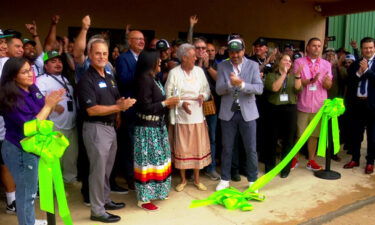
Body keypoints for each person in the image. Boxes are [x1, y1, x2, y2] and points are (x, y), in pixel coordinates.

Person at [0, 57, 65, 225]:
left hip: (34, 147)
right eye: (25, 72)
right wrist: (48, 106)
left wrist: (52, 103)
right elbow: (29, 127)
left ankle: (29, 221)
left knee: (30, 191)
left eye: (30, 70)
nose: (30, 74)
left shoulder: (32, 88)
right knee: (26, 193)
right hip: (19, 149)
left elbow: (41, 106)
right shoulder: (11, 97)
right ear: (13, 76)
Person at [77, 38, 136, 222]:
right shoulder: (87, 79)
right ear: (89, 55)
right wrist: (119, 108)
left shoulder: (109, 75)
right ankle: (97, 211)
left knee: (106, 169)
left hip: (110, 129)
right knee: (97, 171)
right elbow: (92, 109)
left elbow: (114, 100)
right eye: (97, 53)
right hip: (96, 129)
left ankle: (104, 199)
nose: (101, 56)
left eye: (104, 53)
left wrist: (122, 104)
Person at [133, 50, 179, 211]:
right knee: (147, 163)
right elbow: (144, 107)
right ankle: (143, 198)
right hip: (147, 129)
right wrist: (166, 103)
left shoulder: (153, 78)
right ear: (150, 62)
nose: (161, 63)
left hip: (157, 127)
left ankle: (158, 191)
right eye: (157, 61)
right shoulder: (144, 80)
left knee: (159, 160)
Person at [215, 38, 263, 191]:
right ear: (228, 52)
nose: (235, 55)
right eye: (232, 52)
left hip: (247, 112)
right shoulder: (222, 66)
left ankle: (253, 181)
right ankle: (224, 179)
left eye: (238, 51)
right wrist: (231, 84)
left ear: (243, 50)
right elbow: (218, 90)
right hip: (228, 112)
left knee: (250, 148)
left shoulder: (253, 65)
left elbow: (259, 88)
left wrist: (241, 84)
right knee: (227, 148)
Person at [165, 43, 211, 192]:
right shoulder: (174, 73)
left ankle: (197, 180)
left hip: (197, 115)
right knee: (182, 148)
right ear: (184, 58)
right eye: (193, 56)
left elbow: (207, 90)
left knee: (197, 148)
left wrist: (202, 96)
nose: (196, 58)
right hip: (181, 116)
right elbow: (168, 93)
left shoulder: (199, 71)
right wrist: (181, 103)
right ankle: (183, 179)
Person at [35, 51, 78, 183]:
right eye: (53, 62)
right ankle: (54, 183)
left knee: (71, 155)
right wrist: (53, 106)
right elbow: (37, 100)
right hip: (54, 124)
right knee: (54, 156)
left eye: (59, 61)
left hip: (71, 123)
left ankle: (70, 179)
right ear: (46, 66)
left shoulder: (66, 79)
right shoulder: (42, 80)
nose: (58, 64)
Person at [292, 37, 332, 171]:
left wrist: (327, 82)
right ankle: (294, 158)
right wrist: (310, 80)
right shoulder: (299, 62)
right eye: (314, 45)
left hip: (319, 106)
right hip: (303, 103)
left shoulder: (326, 64)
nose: (317, 48)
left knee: (314, 135)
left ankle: (311, 160)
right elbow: (296, 83)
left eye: (319, 46)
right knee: (299, 134)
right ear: (307, 47)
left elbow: (329, 85)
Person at [115, 30, 145, 191]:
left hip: (145, 108)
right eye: (137, 39)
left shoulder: (145, 57)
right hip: (130, 108)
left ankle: (142, 176)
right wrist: (140, 72)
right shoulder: (123, 58)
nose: (141, 41)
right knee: (130, 145)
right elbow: (124, 80)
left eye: (142, 39)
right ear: (130, 41)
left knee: (141, 144)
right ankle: (130, 178)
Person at [264, 54, 302, 178]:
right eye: (285, 60)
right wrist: (284, 74)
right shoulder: (271, 75)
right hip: (274, 109)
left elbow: (297, 89)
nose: (288, 62)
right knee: (271, 138)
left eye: (290, 61)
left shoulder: (293, 76)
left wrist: (297, 76)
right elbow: (275, 88)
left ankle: (285, 168)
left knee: (289, 139)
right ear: (279, 62)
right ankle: (270, 167)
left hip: (290, 109)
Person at [343, 37, 375, 174]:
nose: (368, 50)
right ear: (361, 49)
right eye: (365, 48)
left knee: (372, 136)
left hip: (372, 105)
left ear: (374, 48)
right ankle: (355, 159)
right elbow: (350, 82)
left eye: (370, 47)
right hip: (357, 104)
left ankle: (370, 162)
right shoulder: (356, 64)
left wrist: (367, 71)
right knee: (356, 134)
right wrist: (359, 73)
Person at [193, 38, 220, 180]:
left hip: (210, 106)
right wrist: (198, 64)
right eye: (199, 48)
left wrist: (207, 66)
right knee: (193, 138)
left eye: (205, 49)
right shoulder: (189, 63)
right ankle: (193, 170)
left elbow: (219, 82)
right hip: (193, 107)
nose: (202, 51)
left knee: (212, 138)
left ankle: (211, 168)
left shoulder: (215, 64)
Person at [0, 29, 17, 215]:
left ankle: (12, 201)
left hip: (5, 124)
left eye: (5, 42)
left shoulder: (7, 63)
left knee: (6, 161)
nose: (3, 46)